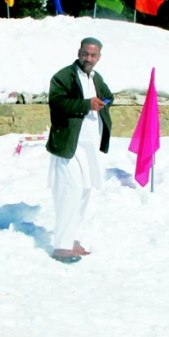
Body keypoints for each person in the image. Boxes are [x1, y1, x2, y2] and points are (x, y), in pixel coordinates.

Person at [45, 37, 114, 263]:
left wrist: (104, 101)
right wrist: (87, 104)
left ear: (99, 57)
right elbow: (57, 103)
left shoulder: (96, 77)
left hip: (89, 147)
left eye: (93, 55)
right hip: (68, 146)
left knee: (84, 191)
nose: (88, 59)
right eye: (85, 54)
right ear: (79, 52)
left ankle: (71, 238)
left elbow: (108, 95)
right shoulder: (64, 76)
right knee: (69, 191)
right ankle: (61, 246)